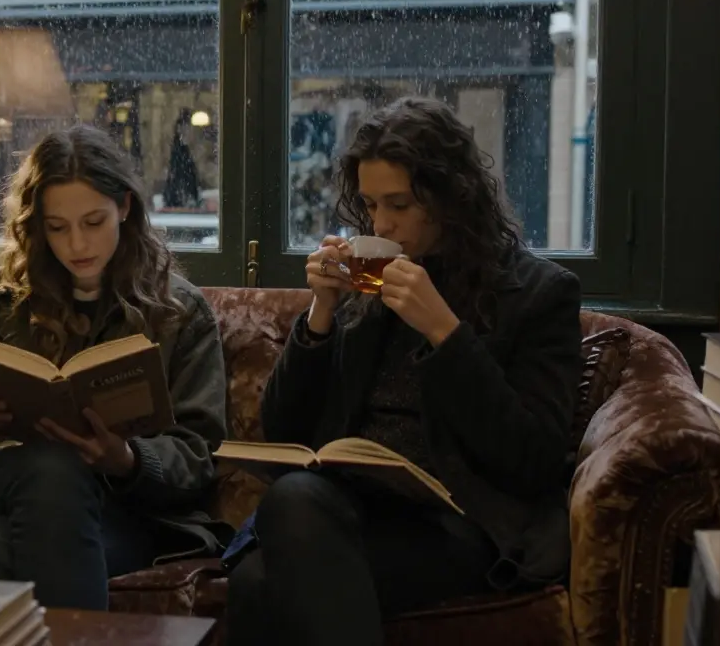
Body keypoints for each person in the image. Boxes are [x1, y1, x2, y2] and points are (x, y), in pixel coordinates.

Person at [223, 96, 583, 645]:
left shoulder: (537, 295)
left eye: (399, 205)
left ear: (452, 198)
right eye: (370, 205)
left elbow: (531, 458)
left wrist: (446, 332)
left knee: (262, 572)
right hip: (350, 507)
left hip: (458, 522)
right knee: (282, 522)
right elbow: (285, 433)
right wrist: (320, 312)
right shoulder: (368, 284)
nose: (381, 223)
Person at [0, 124, 230, 612]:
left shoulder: (178, 313)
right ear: (37, 227)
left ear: (124, 207)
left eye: (94, 221)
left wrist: (125, 457)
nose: (78, 243)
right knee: (53, 465)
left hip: (121, 511)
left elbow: (199, 456)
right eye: (58, 227)